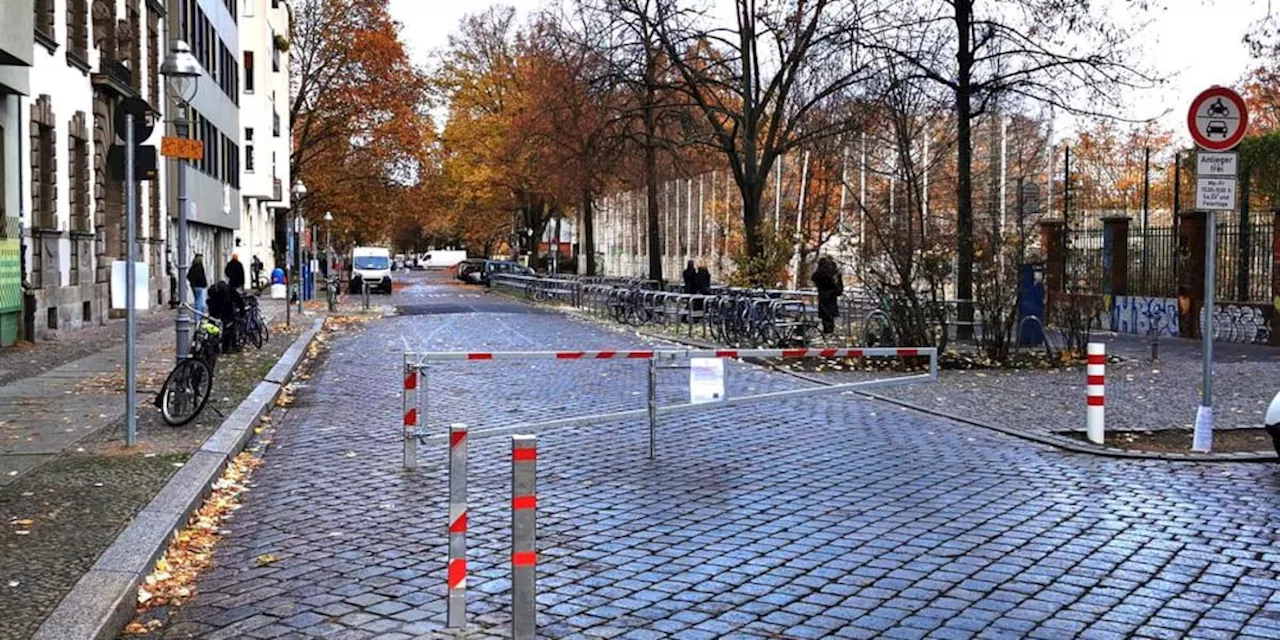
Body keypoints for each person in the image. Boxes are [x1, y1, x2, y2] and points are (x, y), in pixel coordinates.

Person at [811, 256, 843, 335]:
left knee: (826, 318)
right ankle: (829, 331)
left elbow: (814, 278)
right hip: (830, 297)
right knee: (828, 317)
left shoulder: (822, 274)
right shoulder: (831, 274)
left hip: (825, 297)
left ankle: (828, 331)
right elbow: (839, 290)